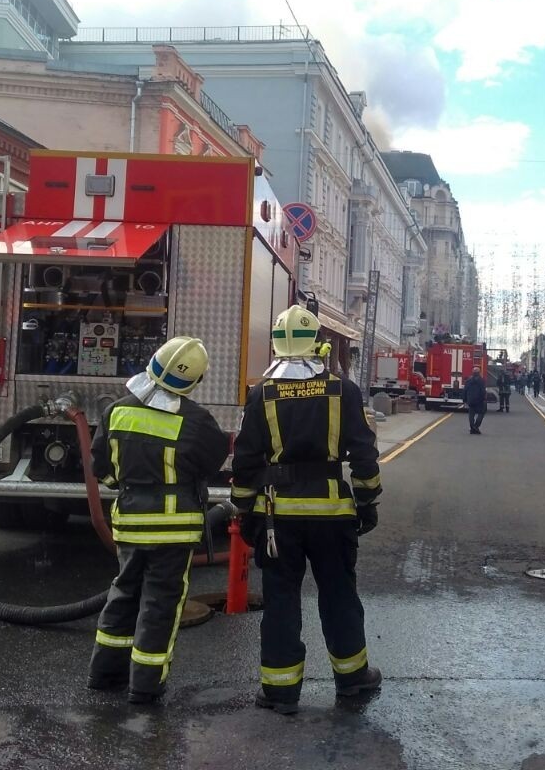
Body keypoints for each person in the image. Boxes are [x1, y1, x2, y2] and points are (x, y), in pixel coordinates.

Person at [231, 305, 383, 715]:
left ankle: (279, 692)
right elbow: (365, 456)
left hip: (279, 518)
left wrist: (244, 511)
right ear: (319, 344)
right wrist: (368, 502)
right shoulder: (343, 391)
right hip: (333, 515)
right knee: (339, 595)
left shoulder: (261, 393)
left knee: (281, 600)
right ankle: (352, 680)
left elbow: (245, 462)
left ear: (277, 345)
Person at [88, 337, 231, 703]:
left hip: (130, 523)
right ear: (195, 381)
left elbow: (102, 469)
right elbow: (211, 463)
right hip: (174, 529)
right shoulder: (197, 421)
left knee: (122, 593)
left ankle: (104, 674)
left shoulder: (117, 411)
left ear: (152, 364)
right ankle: (146, 686)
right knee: (161, 604)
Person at [464, 366, 487, 434]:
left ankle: (472, 428)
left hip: (470, 400)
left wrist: (465, 399)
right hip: (479, 400)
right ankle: (476, 427)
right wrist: (484, 398)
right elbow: (483, 391)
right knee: (481, 413)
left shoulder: (468, 380)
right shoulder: (482, 380)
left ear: (473, 372)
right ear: (479, 373)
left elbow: (465, 390)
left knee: (471, 414)